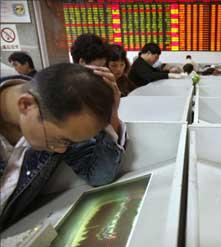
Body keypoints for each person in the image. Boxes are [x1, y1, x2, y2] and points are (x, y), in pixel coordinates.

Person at [0, 63, 126, 230]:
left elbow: (99, 176)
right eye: (60, 140)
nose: (61, 150)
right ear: (26, 105)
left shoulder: (57, 108)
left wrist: (112, 116)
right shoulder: (49, 104)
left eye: (69, 143)